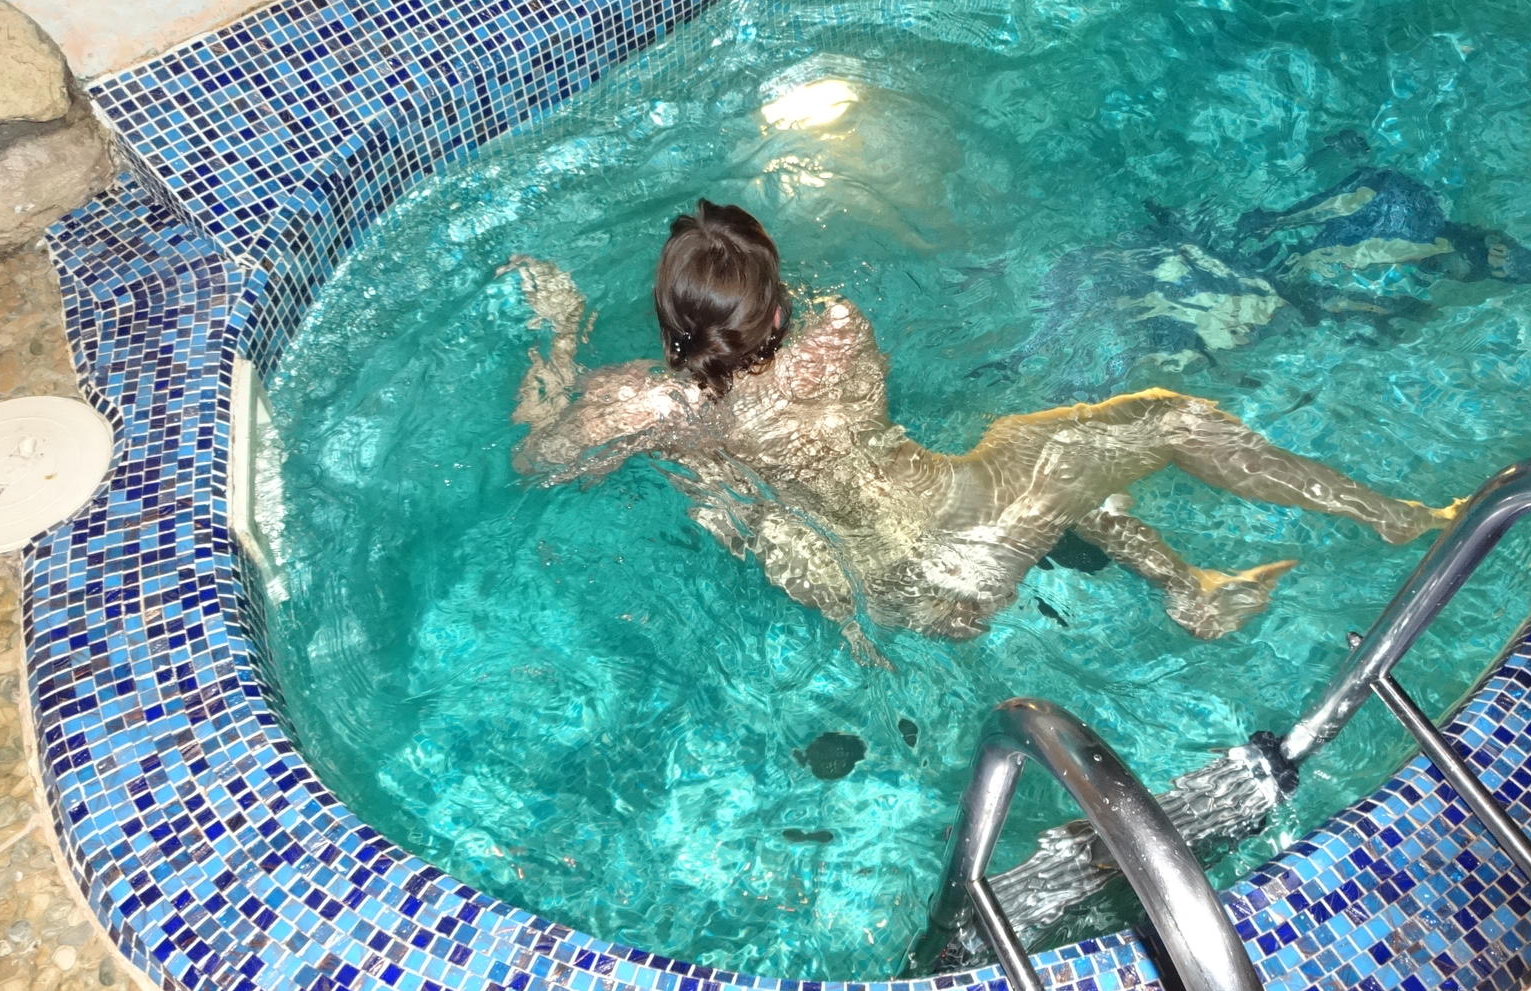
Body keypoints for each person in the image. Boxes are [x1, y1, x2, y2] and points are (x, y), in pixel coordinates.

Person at [505, 200, 1461, 656]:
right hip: (973, 518)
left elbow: (536, 461)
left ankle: (1192, 589)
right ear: (779, 299)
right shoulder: (838, 328)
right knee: (1156, 420)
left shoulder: (649, 405)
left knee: (731, 500)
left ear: (672, 320)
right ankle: (1390, 516)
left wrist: (563, 335)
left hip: (907, 596)